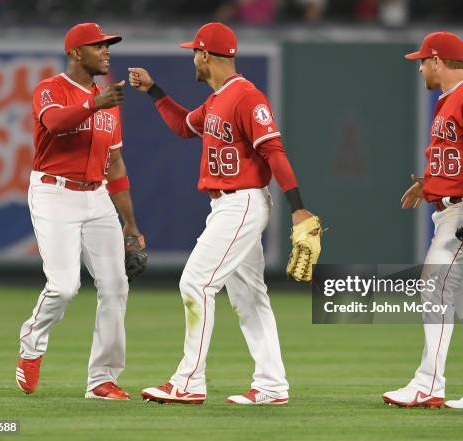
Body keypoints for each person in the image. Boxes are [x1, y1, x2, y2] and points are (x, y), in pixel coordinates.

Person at [129, 22, 317, 405]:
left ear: (205, 55)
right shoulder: (217, 100)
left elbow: (274, 151)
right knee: (249, 297)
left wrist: (298, 209)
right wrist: (154, 91)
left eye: (193, 53)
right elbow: (184, 127)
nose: (192, 61)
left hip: (242, 202)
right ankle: (272, 385)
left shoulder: (246, 96)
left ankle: (189, 381)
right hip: (227, 204)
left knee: (195, 283)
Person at [383, 31, 463, 410]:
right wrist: (430, 183)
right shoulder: (450, 100)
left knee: (434, 286)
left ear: (437, 61)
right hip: (455, 205)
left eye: (422, 61)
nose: (420, 68)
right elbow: (460, 154)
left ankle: (428, 385)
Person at [16, 22, 143, 400]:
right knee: (64, 285)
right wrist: (92, 104)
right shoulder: (50, 89)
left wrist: (131, 226)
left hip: (97, 195)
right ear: (75, 53)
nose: (106, 52)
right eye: (98, 46)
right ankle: (31, 345)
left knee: (116, 285)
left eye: (108, 47)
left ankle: (102, 379)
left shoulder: (108, 100)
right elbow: (53, 123)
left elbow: (116, 164)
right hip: (54, 193)